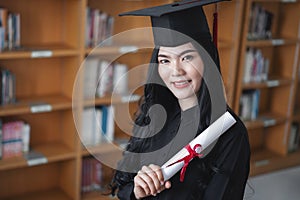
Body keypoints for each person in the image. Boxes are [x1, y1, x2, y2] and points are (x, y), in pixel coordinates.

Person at [109, 0, 250, 199]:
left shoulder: (231, 135)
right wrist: (137, 189)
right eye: (165, 60)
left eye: (187, 57)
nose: (175, 71)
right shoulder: (154, 116)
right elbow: (123, 188)